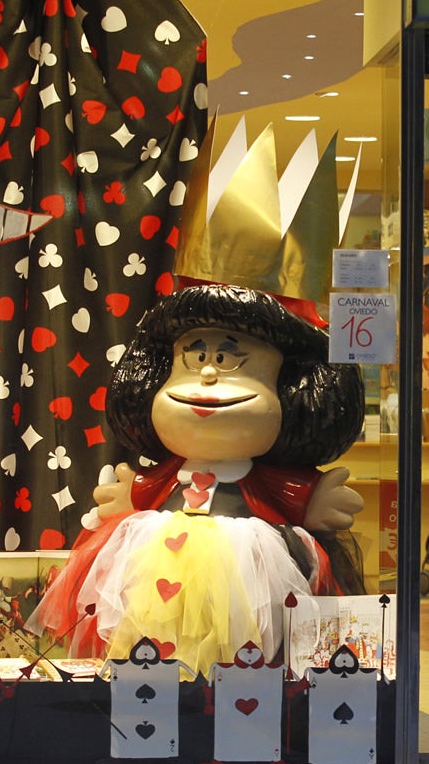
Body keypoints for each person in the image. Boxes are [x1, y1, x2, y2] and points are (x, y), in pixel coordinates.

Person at [32, 283, 367, 677]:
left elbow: (278, 493)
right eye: (195, 358)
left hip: (250, 564)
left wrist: (311, 500)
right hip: (156, 553)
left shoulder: (259, 472)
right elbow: (151, 489)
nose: (208, 372)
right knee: (143, 627)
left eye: (226, 359)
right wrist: (134, 496)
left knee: (245, 638)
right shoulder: (170, 468)